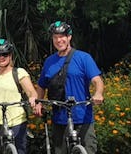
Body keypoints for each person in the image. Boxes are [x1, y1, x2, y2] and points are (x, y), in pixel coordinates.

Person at [34, 21, 104, 154]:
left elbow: (97, 80)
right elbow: (42, 85)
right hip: (59, 118)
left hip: (82, 117)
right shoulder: (49, 62)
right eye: (55, 37)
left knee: (88, 150)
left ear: (69, 37)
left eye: (62, 36)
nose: (59, 40)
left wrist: (98, 93)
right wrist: (39, 102)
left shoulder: (83, 58)